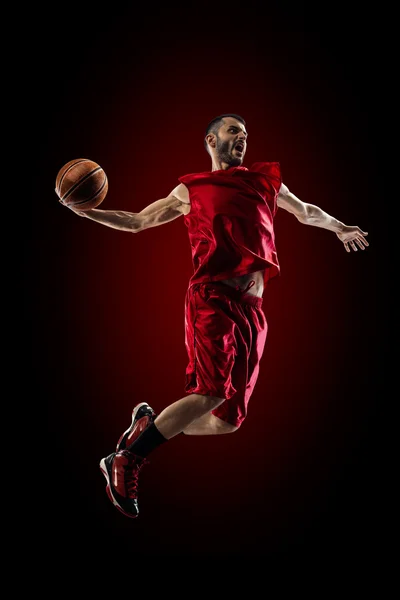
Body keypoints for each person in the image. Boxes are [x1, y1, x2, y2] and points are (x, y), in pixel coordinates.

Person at [60, 114, 369, 519]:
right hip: (213, 299)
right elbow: (137, 221)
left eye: (245, 134)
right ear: (211, 140)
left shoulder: (265, 181)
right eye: (233, 131)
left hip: (253, 311)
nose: (242, 138)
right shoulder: (192, 189)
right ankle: (126, 459)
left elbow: (305, 210)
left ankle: (149, 424)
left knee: (227, 421)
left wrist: (339, 227)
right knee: (211, 391)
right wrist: (88, 213)